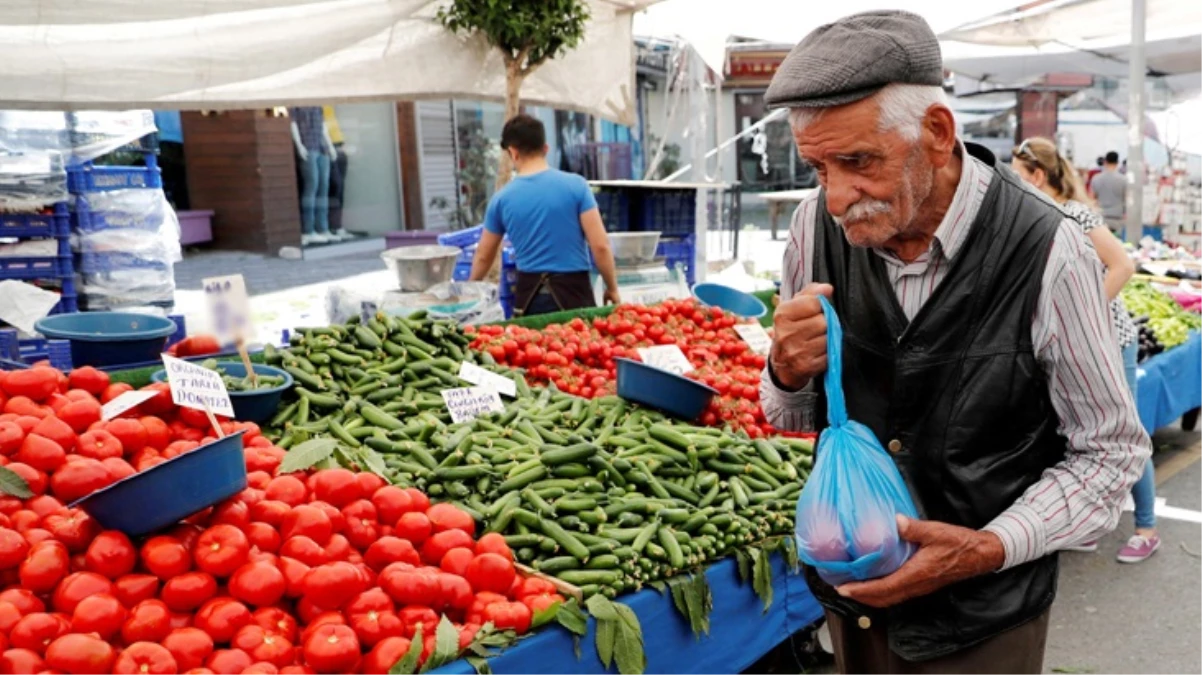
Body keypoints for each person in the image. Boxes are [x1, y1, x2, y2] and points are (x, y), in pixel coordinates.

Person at [760, 11, 1150, 674]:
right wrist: (784, 370)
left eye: (857, 162)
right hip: (852, 602)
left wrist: (987, 546)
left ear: (937, 134)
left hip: (983, 622)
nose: (835, 197)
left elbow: (1111, 454)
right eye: (819, 167)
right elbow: (792, 415)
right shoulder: (813, 229)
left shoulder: (1048, 250)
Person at [1012, 137, 1159, 563]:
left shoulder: (1074, 214)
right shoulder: (1036, 217)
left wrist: (1083, 317)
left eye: (1020, 178)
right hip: (1073, 347)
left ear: (1039, 176)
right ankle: (1090, 524)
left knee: (1121, 433)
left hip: (1112, 342)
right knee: (1077, 431)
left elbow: (1123, 265)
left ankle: (1147, 527)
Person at [470, 114, 620, 316]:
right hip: (575, 295)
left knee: (536, 347)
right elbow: (600, 246)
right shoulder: (576, 186)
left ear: (513, 153)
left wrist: (468, 291)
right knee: (580, 346)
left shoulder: (501, 199)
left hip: (530, 300)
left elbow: (483, 257)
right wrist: (612, 287)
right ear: (546, 148)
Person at [1091, 150, 1126, 231]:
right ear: (1117, 162)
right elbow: (1127, 198)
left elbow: (1091, 198)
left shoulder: (1096, 178)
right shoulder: (1123, 179)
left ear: (1105, 162)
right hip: (1118, 218)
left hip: (1100, 218)